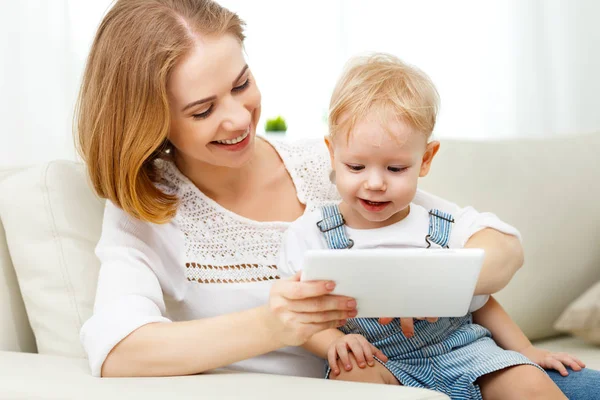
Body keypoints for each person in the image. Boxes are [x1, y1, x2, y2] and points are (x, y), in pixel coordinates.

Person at [74, 1, 599, 398]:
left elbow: (483, 241)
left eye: (241, 84)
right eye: (202, 109)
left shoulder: (330, 166)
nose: (237, 119)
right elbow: (120, 350)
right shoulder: (148, 208)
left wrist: (434, 280)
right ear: (150, 119)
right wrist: (275, 325)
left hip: (457, 356)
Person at [277, 53, 586, 400]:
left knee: (528, 381)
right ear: (331, 154)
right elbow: (298, 316)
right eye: (356, 166)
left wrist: (525, 350)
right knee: (352, 374)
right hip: (375, 359)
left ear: (425, 159)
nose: (375, 183)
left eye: (395, 169)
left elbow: (481, 301)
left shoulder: (442, 224)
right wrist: (336, 341)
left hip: (461, 351)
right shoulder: (310, 234)